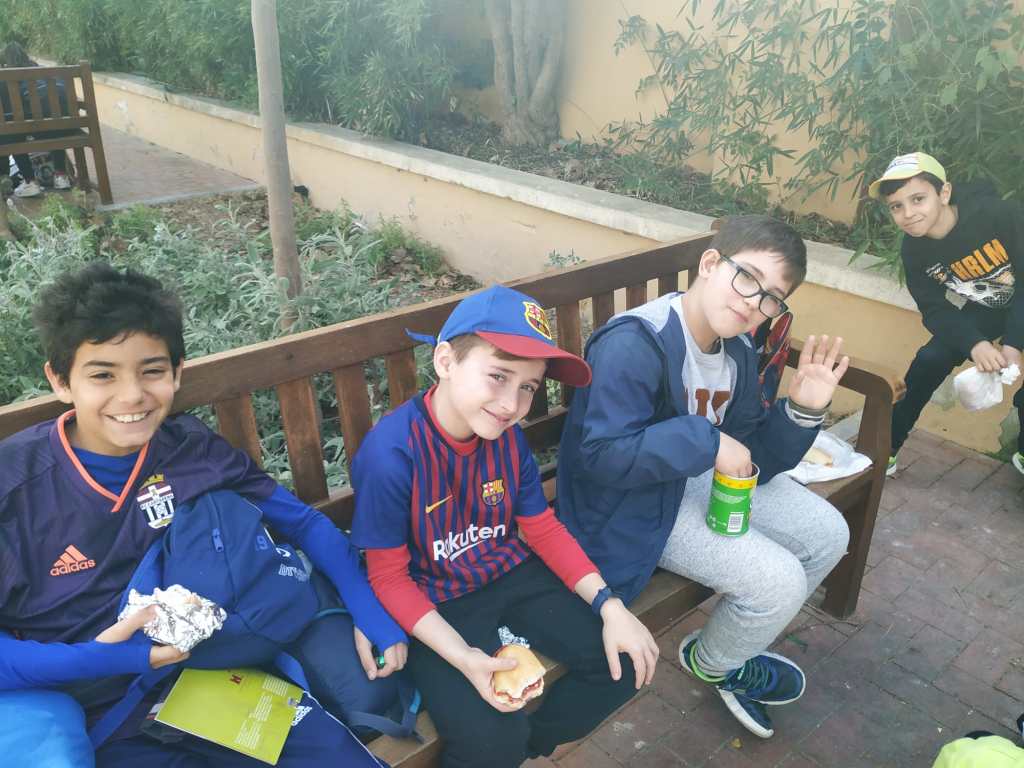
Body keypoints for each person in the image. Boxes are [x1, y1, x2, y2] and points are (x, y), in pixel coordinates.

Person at [0, 263, 407, 766]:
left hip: (205, 675)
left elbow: (302, 522)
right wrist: (98, 659)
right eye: (102, 374)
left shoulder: (190, 449)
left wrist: (369, 610)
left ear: (176, 373)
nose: (132, 395)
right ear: (61, 380)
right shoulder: (14, 486)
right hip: (94, 709)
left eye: (152, 371)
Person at [556, 214, 851, 739]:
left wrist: (802, 411)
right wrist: (707, 441)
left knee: (828, 534)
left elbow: (752, 456)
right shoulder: (634, 343)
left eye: (772, 298)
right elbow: (602, 456)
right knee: (779, 581)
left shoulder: (735, 350)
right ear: (711, 263)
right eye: (748, 278)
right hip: (628, 503)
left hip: (684, 478)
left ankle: (727, 651)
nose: (753, 302)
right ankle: (717, 664)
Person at [350, 285, 660, 768]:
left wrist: (610, 603)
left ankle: (525, 748)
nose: (512, 404)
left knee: (625, 662)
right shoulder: (392, 454)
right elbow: (388, 575)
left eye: (528, 387)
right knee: (490, 743)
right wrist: (463, 657)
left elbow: (542, 529)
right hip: (435, 601)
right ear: (446, 361)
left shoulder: (504, 438)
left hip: (506, 571)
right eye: (498, 376)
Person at [867, 152, 1024, 476]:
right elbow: (934, 309)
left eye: (918, 199)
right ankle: (884, 448)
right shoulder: (914, 250)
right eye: (896, 206)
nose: (908, 214)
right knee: (930, 359)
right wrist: (975, 343)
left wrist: (1014, 342)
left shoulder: (998, 215)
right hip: (988, 307)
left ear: (944, 192)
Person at [0, 42, 72, 197]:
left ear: (6, 63)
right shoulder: (45, 72)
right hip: (65, 127)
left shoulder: (5, 79)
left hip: (30, 130)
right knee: (53, 125)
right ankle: (61, 176)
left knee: (10, 134)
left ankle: (29, 181)